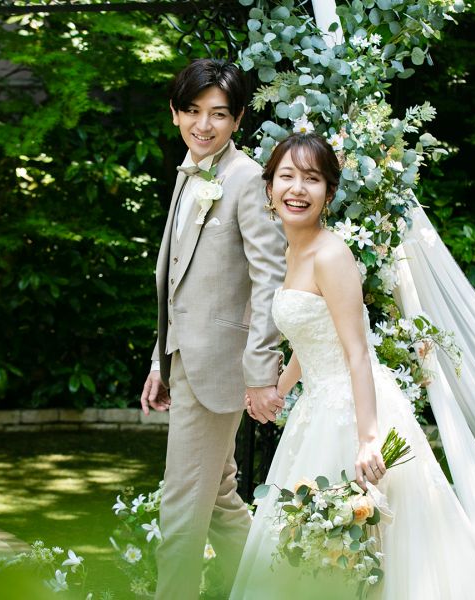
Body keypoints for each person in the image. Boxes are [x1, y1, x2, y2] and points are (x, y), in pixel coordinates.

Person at [230, 133, 475, 599]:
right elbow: (311, 337)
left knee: (360, 545)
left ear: (328, 193)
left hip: (353, 410)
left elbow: (356, 352)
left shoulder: (331, 254)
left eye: (311, 179)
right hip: (316, 407)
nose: (297, 189)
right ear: (270, 187)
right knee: (310, 545)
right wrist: (280, 387)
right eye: (287, 177)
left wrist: (366, 439)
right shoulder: (290, 251)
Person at [140, 58, 287, 600]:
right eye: (194, 111)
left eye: (219, 114)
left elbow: (271, 278)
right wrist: (160, 360)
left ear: (238, 118)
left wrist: (260, 372)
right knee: (221, 498)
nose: (204, 125)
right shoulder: (190, 172)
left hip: (221, 366)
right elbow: (179, 281)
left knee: (181, 508)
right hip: (184, 359)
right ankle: (275, 588)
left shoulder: (246, 179)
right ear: (175, 113)